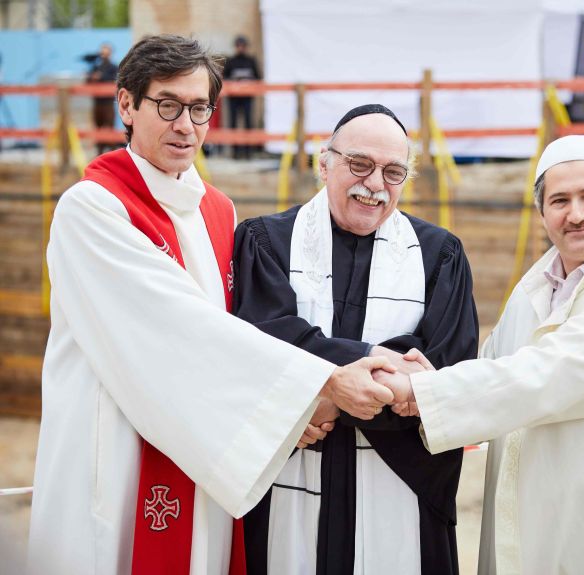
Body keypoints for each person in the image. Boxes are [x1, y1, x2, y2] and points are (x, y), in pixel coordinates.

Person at [27, 35, 398, 575]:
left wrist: (301, 400)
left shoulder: (217, 212)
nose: (186, 125)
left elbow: (243, 328)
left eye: (199, 108)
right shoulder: (93, 208)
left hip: (202, 447)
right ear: (126, 104)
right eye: (168, 105)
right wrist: (316, 386)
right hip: (114, 455)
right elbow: (179, 330)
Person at [378, 135, 584, 574]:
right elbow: (489, 373)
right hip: (526, 538)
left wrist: (419, 389)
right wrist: (408, 371)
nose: (576, 214)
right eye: (559, 200)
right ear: (542, 213)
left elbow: (547, 375)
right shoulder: (530, 296)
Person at [233, 104, 479, 574]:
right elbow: (261, 338)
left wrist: (320, 396)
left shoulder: (439, 256)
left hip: (399, 480)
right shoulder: (265, 242)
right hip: (292, 466)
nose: (374, 185)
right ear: (323, 163)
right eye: (359, 164)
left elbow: (443, 367)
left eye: (393, 172)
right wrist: (351, 372)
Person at [223, 35, 262, 159]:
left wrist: (248, 83)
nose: (240, 48)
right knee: (233, 122)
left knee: (248, 123)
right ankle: (235, 152)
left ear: (246, 47)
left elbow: (258, 77)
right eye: (238, 46)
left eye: (243, 46)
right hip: (233, 97)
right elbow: (224, 78)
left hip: (247, 97)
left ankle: (248, 152)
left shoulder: (251, 61)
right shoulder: (231, 61)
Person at [86, 42, 119, 155]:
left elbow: (115, 81)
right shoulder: (95, 67)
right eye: (102, 51)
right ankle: (99, 153)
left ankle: (113, 154)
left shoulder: (114, 67)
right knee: (98, 128)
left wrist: (101, 77)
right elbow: (87, 81)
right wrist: (91, 77)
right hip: (97, 101)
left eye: (106, 51)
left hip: (108, 102)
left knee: (109, 128)